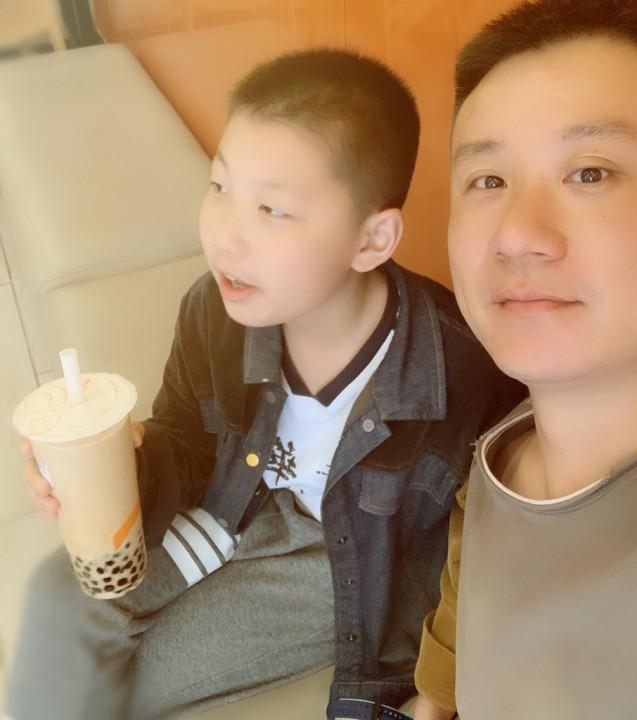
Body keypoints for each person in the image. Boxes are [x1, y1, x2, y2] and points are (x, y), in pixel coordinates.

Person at [5, 49, 524, 720]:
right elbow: (187, 439)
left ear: (371, 240)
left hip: (335, 557)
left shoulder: (462, 373)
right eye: (219, 187)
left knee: (133, 684)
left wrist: (437, 690)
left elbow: (483, 550)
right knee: (60, 603)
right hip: (234, 499)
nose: (225, 236)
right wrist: (130, 460)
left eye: (273, 209)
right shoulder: (213, 310)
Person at [411, 0, 637, 717]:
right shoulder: (496, 462)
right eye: (488, 180)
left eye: (591, 173)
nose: (517, 235)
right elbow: (452, 674)